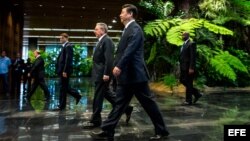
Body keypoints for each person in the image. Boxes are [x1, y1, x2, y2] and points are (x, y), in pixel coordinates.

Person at [91, 4, 169, 141]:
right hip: (127, 76)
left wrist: (119, 66)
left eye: (122, 12)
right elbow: (121, 52)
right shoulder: (127, 29)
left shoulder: (135, 29)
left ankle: (162, 131)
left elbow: (130, 50)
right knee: (119, 104)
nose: (120, 15)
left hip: (136, 75)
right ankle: (108, 130)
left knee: (149, 104)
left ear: (130, 14)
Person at [83, 23, 133, 128]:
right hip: (99, 73)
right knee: (107, 94)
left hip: (102, 74)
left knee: (97, 97)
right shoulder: (101, 41)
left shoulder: (107, 41)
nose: (94, 31)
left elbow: (109, 59)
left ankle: (96, 120)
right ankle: (126, 108)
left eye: (96, 29)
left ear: (102, 30)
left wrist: (106, 73)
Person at [54, 33, 82, 110]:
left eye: (61, 38)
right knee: (64, 87)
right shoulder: (65, 46)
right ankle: (77, 95)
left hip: (64, 71)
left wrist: (65, 71)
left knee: (63, 88)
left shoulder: (68, 46)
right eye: (60, 38)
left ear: (66, 38)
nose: (60, 40)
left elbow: (68, 59)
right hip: (62, 71)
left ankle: (61, 106)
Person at [179, 32, 202, 105]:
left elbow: (193, 57)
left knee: (189, 83)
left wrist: (191, 68)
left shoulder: (192, 43)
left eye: (183, 35)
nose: (182, 36)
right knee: (182, 80)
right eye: (182, 35)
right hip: (183, 67)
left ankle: (188, 100)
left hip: (188, 67)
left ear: (187, 36)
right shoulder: (184, 44)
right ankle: (196, 93)